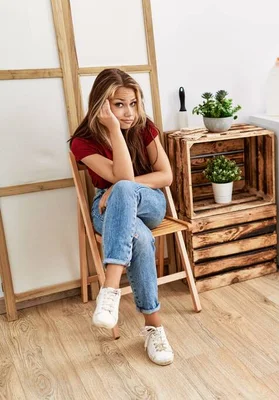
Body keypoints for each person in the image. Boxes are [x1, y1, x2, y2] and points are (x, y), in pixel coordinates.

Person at [69, 68, 174, 366]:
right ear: (102, 105)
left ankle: (110, 288)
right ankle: (154, 327)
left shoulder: (144, 127)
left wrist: (117, 187)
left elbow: (165, 176)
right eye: (119, 105)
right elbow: (124, 175)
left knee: (125, 188)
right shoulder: (83, 141)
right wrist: (114, 130)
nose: (129, 112)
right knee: (139, 238)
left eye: (133, 103)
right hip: (108, 210)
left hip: (149, 203)